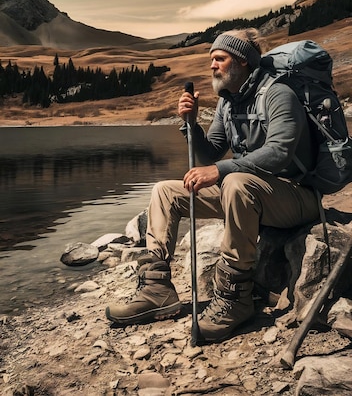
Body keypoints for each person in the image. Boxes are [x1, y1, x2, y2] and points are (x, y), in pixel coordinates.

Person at [106, 28, 319, 342]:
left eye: (219, 58)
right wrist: (191, 125)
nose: (212, 66)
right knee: (165, 191)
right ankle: (157, 288)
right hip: (249, 192)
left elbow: (278, 153)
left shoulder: (278, 93)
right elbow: (212, 151)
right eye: (211, 60)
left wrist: (218, 171)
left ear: (243, 61)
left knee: (233, 182)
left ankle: (235, 298)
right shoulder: (228, 103)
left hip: (297, 196)